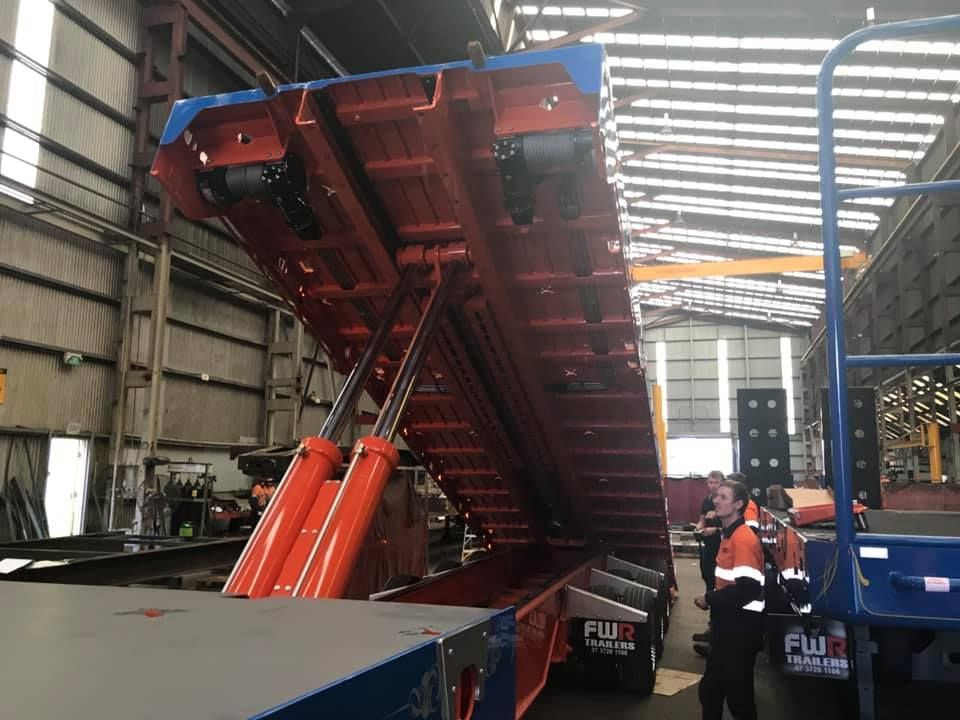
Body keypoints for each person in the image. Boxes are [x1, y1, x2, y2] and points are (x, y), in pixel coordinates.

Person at [695, 480, 765, 720]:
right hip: (728, 625)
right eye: (717, 496)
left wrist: (709, 598)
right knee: (712, 690)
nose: (716, 500)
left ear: (738, 504)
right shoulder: (729, 535)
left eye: (723, 497)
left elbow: (748, 589)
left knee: (738, 696)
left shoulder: (742, 539)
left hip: (741, 628)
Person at [692, 470, 724, 655]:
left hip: (723, 549)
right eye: (710, 482)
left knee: (719, 588)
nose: (712, 485)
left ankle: (718, 638)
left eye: (716, 482)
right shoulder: (706, 501)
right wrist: (699, 528)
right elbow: (702, 520)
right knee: (709, 582)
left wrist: (716, 530)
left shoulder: (725, 501)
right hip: (708, 549)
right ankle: (712, 628)